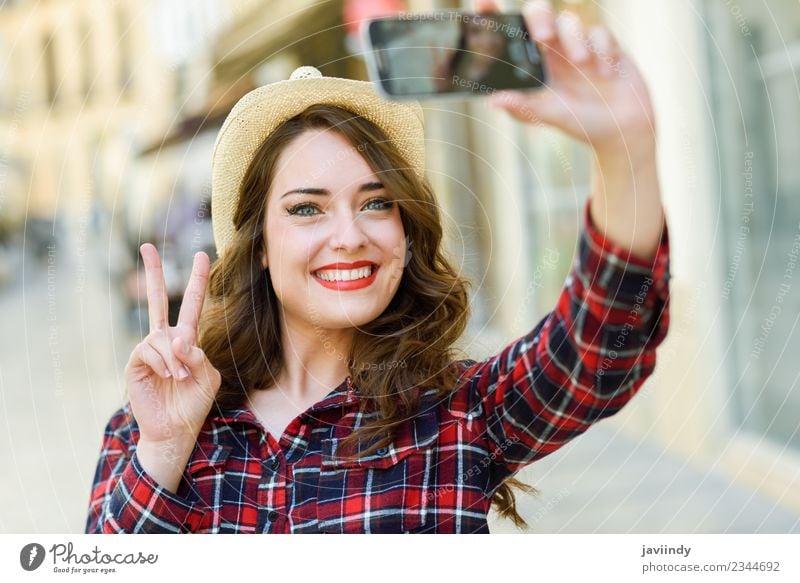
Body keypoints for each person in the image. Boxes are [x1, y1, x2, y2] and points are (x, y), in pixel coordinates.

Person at [85, 0, 670, 534]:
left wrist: (626, 150)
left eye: (375, 203)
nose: (349, 236)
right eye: (307, 209)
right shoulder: (150, 425)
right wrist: (163, 453)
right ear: (260, 244)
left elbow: (596, 349)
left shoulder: (460, 416)